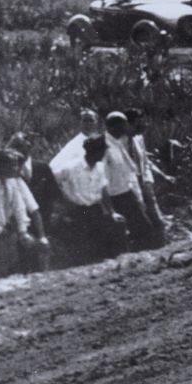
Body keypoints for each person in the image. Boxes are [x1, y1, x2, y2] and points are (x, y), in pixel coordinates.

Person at [0, 150, 49, 281]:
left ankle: (31, 280)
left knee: (34, 245)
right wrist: (1, 232)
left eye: (16, 165)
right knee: (3, 249)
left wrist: (23, 232)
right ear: (0, 166)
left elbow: (19, 208)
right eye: (13, 165)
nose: (16, 169)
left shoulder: (11, 181)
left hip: (6, 230)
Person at [52, 133, 128, 267]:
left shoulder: (99, 167)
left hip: (95, 210)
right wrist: (64, 201)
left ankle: (118, 263)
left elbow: (104, 190)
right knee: (84, 249)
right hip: (77, 211)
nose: (104, 153)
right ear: (95, 151)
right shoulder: (71, 168)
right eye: (102, 150)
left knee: (117, 225)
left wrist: (112, 212)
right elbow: (53, 181)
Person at [101, 112, 156, 249]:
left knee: (144, 228)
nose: (126, 127)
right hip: (113, 197)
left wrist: (137, 195)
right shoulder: (104, 146)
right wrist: (108, 207)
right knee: (131, 232)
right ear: (114, 127)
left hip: (126, 193)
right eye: (123, 124)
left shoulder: (118, 143)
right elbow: (101, 178)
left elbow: (130, 171)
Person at [122, 108, 167, 248]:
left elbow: (145, 161)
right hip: (129, 186)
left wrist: (155, 177)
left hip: (143, 183)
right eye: (137, 122)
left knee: (156, 217)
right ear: (128, 124)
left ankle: (161, 247)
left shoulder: (138, 138)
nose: (142, 125)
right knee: (138, 220)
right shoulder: (120, 142)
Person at [6, 133, 61, 230]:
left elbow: (55, 193)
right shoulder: (6, 171)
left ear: (29, 148)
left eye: (21, 146)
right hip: (17, 222)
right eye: (15, 147)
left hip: (42, 221)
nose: (18, 151)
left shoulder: (42, 167)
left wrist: (55, 214)